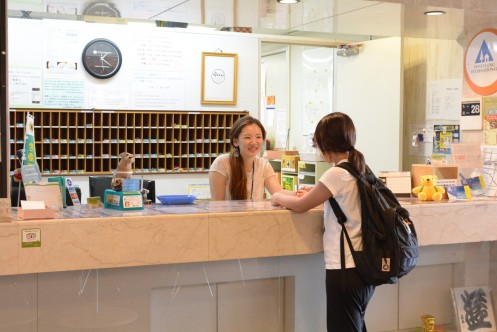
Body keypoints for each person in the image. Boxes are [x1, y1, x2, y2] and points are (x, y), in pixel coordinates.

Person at [270, 112, 375, 332]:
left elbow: (301, 206)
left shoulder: (337, 173)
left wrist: (278, 196)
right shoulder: (360, 168)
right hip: (364, 265)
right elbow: (342, 200)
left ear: (326, 142)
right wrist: (317, 192)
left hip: (345, 266)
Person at [209, 115, 303, 200]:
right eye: (247, 137)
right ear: (235, 142)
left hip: (255, 218)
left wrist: (300, 193)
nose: (254, 142)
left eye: (258, 137)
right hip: (229, 219)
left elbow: (278, 192)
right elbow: (217, 205)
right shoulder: (222, 163)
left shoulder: (263, 165)